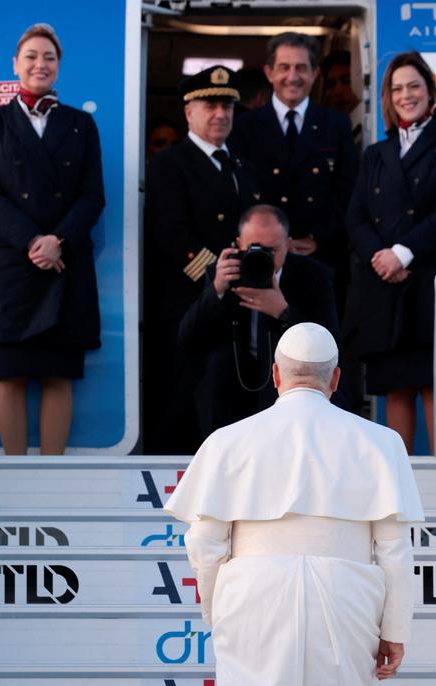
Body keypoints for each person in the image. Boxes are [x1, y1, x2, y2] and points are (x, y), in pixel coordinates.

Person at [165, 322, 425, 684]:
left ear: (275, 374)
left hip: (252, 593)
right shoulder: (382, 442)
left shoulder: (227, 440)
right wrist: (395, 629)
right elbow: (395, 550)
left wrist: (216, 608)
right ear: (335, 378)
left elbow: (203, 542)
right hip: (346, 593)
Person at [0, 23, 105, 456]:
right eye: (31, 56)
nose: (39, 64)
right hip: (13, 262)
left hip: (65, 261)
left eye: (48, 57)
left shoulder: (81, 124)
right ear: (16, 65)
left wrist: (57, 241)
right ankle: (12, 473)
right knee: (8, 375)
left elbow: (92, 195)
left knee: (57, 374)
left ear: (58, 66)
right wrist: (33, 241)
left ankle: (52, 475)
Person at [344, 50, 436, 453]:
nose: (406, 95)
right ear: (388, 96)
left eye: (414, 86)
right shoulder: (375, 154)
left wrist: (402, 254)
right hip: (384, 288)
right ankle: (400, 486)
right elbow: (355, 217)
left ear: (430, 91)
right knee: (395, 388)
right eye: (398, 88)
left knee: (435, 384)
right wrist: (381, 258)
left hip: (430, 282)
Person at [143, 65, 259, 453]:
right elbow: (171, 235)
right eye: (209, 104)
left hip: (238, 310)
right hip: (187, 307)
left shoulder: (244, 167)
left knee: (232, 411)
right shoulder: (168, 164)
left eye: (227, 105)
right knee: (182, 410)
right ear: (188, 112)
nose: (220, 113)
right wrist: (218, 276)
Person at [177, 204, 339, 437]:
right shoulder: (224, 273)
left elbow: (330, 341)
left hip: (288, 382)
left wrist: (283, 312)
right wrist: (217, 290)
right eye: (255, 248)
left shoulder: (313, 275)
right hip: (233, 378)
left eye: (272, 250)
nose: (264, 257)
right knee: (216, 367)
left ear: (288, 245)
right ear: (239, 244)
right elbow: (187, 337)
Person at [230, 33, 356, 293]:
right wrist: (268, 243)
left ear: (315, 73)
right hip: (262, 261)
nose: (293, 76)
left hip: (319, 258)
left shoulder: (336, 124)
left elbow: (347, 191)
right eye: (284, 67)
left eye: (301, 68)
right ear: (269, 72)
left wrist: (316, 239)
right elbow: (239, 193)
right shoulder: (244, 126)